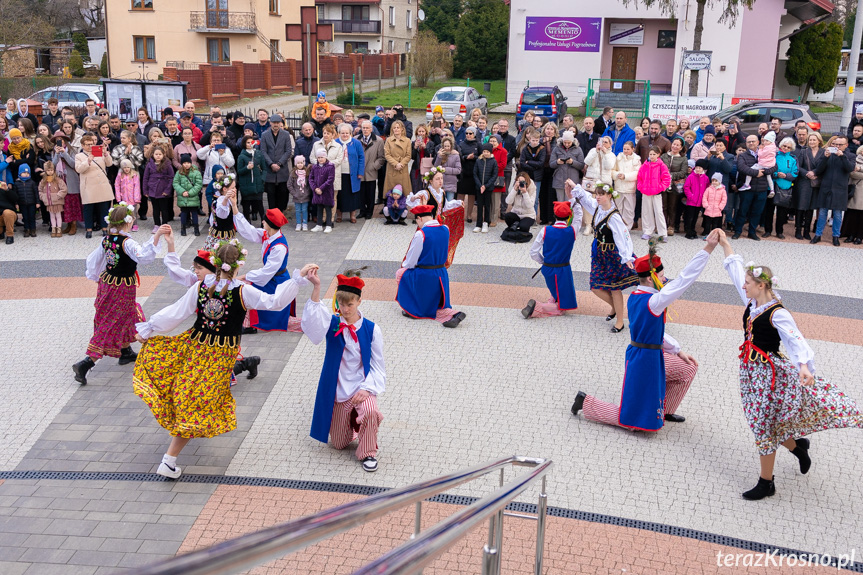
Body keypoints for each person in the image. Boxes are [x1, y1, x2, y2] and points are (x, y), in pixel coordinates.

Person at [134, 241, 315, 478]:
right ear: (238, 265)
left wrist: (149, 328)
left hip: (196, 346)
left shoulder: (202, 286)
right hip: (218, 356)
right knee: (197, 403)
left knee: (191, 395)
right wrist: (298, 278)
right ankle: (168, 460)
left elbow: (177, 311)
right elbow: (275, 302)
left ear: (216, 263)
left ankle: (172, 452)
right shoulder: (242, 290)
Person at [718, 237, 863, 500]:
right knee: (765, 423)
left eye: (748, 283)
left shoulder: (776, 313)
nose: (743, 286)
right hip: (752, 373)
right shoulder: (754, 301)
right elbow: (737, 273)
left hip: (769, 375)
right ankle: (798, 447)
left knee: (763, 426)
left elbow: (795, 339)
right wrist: (726, 245)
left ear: (761, 286)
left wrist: (804, 366)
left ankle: (766, 483)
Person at [571, 230, 721, 430]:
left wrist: (677, 350)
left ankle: (662, 410)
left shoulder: (635, 296)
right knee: (633, 421)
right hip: (645, 359)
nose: (665, 278)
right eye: (661, 274)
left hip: (648, 352)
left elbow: (650, 330)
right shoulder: (655, 301)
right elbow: (685, 279)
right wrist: (708, 248)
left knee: (687, 368)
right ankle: (587, 403)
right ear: (651, 278)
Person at [302, 269, 386, 473]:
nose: (345, 309)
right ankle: (353, 425)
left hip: (361, 388)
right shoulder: (332, 324)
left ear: (359, 302)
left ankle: (368, 452)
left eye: (350, 304)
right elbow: (312, 325)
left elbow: (378, 366)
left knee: (371, 411)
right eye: (341, 303)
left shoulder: (371, 329)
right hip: (338, 392)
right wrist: (317, 287)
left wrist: (367, 389)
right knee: (339, 444)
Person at [72, 207, 166, 384]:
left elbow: (95, 260)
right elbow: (143, 256)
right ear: (128, 222)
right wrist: (157, 235)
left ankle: (125, 351)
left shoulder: (107, 239)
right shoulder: (127, 242)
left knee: (124, 315)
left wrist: (95, 276)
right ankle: (86, 363)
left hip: (107, 283)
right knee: (112, 321)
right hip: (121, 287)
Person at [160, 234, 261, 381]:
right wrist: (171, 245)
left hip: (225, 337)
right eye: (195, 269)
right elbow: (176, 272)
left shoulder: (232, 287)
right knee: (203, 373)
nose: (196, 272)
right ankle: (246, 363)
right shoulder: (198, 282)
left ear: (212, 268)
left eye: (199, 268)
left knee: (214, 376)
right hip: (204, 335)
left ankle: (246, 363)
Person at [571, 182, 637, 331]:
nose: (598, 197)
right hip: (599, 254)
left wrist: (626, 257)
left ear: (609, 196)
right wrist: (575, 186)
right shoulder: (598, 208)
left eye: (601, 194)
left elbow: (623, 237)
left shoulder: (614, 217)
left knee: (615, 288)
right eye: (597, 194)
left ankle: (620, 321)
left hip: (613, 255)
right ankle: (614, 307)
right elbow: (586, 199)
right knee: (595, 287)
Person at [396, 204, 466, 328]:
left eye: (417, 221)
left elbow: (411, 261)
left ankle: (414, 310)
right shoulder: (445, 228)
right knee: (439, 306)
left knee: (400, 274)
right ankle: (452, 314)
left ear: (420, 219)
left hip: (426, 275)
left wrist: (405, 266)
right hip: (442, 274)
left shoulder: (421, 234)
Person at [233, 203, 298, 332]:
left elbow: (267, 272)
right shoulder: (267, 235)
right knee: (243, 288)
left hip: (276, 282)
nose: (262, 222)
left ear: (270, 224)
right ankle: (248, 323)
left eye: (265, 220)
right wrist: (235, 208)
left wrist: (244, 276)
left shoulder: (279, 247)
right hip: (270, 277)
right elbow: (248, 230)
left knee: (244, 288)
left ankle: (249, 325)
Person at [522, 199, 580, 318]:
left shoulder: (545, 230)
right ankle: (538, 307)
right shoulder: (572, 230)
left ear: (554, 215)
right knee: (563, 307)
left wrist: (543, 261)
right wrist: (576, 200)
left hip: (548, 268)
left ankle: (553, 298)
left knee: (555, 288)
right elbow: (579, 216)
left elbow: (533, 252)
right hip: (563, 269)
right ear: (569, 216)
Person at [811, 135, 853, 246]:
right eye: (835, 144)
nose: (837, 146)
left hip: (840, 189)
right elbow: (818, 169)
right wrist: (825, 158)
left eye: (840, 145)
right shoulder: (826, 154)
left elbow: (850, 168)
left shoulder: (850, 156)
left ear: (846, 145)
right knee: (822, 213)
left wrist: (842, 156)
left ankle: (835, 236)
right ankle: (818, 235)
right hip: (826, 187)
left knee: (838, 214)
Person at [734, 135, 777, 241]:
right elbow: (741, 167)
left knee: (757, 212)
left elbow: (775, 166)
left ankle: (752, 232)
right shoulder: (743, 155)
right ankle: (738, 231)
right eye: (749, 142)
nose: (751, 143)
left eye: (753, 141)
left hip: (762, 189)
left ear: (758, 142)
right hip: (747, 190)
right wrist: (756, 173)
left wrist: (765, 172)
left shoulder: (765, 152)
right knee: (742, 211)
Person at [76, 133, 114, 239]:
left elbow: (109, 164)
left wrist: (106, 154)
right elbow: (79, 169)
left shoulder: (99, 152)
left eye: (91, 144)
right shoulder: (79, 156)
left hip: (101, 183)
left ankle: (104, 228)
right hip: (89, 185)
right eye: (87, 144)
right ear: (82, 145)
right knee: (88, 208)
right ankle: (89, 229)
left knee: (103, 207)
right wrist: (88, 160)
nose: (90, 146)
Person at [763, 138, 798, 239]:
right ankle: (768, 230)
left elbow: (795, 173)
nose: (786, 148)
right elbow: (768, 168)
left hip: (785, 187)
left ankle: (779, 231)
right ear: (780, 146)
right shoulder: (774, 156)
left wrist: (786, 176)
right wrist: (775, 174)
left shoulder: (793, 159)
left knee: (782, 212)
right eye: (784, 146)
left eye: (788, 147)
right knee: (769, 210)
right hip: (772, 186)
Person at [636, 146, 672, 241]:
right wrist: (641, 187)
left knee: (658, 212)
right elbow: (639, 177)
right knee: (646, 212)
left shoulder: (662, 166)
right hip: (646, 192)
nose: (652, 156)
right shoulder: (645, 165)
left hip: (656, 192)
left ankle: (662, 233)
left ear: (658, 155)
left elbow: (666, 178)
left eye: (654, 154)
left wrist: (661, 188)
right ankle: (647, 231)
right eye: (650, 154)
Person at [794, 132, 822, 240]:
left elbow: (823, 166)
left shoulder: (823, 153)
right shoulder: (803, 151)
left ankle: (807, 230)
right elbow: (798, 166)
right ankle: (798, 230)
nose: (812, 142)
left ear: (819, 141)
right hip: (804, 182)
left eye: (814, 140)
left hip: (816, 183)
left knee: (811, 208)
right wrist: (807, 173)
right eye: (810, 140)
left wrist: (814, 172)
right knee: (801, 207)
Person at [336, 123, 365, 223]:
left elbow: (361, 157)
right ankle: (339, 215)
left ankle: (352, 216)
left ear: (350, 133)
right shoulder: (335, 143)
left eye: (347, 133)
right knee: (339, 195)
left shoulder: (356, 143)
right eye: (342, 133)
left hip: (352, 174)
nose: (345, 135)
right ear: (339, 133)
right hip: (339, 173)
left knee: (353, 195)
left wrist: (360, 171)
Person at [142, 146, 175, 232]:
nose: (158, 156)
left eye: (160, 154)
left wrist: (167, 190)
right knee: (155, 209)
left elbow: (171, 178)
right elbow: (145, 178)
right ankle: (156, 224)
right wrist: (145, 190)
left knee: (164, 209)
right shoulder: (149, 165)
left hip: (163, 189)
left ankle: (165, 224)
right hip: (153, 189)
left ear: (163, 155)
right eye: (156, 154)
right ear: (153, 155)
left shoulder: (167, 164)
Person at [357, 120, 385, 219]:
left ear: (371, 129)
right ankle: (362, 211)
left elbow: (381, 157)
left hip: (371, 170)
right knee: (360, 193)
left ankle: (369, 212)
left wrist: (374, 166)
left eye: (367, 128)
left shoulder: (378, 140)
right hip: (359, 171)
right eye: (363, 128)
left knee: (370, 193)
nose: (365, 130)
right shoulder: (356, 139)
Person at [204, 169, 238, 249]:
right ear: (225, 189)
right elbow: (221, 215)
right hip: (219, 238)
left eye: (235, 187)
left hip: (229, 235)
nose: (235, 189)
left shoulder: (231, 200)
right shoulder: (219, 201)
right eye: (233, 188)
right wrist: (226, 199)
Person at [611, 140, 641, 228]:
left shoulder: (636, 159)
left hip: (629, 188)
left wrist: (625, 176)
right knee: (618, 207)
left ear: (633, 149)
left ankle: (627, 227)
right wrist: (617, 175)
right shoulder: (618, 157)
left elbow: (637, 173)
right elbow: (613, 170)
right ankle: (617, 226)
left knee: (629, 209)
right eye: (624, 149)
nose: (626, 151)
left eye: (628, 149)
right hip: (619, 186)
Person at [236, 135, 266, 222]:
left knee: (260, 204)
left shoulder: (259, 154)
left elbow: (264, 168)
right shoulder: (242, 156)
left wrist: (262, 179)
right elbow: (239, 171)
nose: (250, 144)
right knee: (246, 204)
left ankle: (263, 222)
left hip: (257, 183)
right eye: (248, 142)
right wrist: (247, 168)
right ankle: (247, 222)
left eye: (251, 142)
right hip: (246, 184)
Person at [550, 130, 584, 203]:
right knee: (560, 203)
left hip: (572, 181)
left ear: (573, 141)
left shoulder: (578, 149)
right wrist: (557, 162)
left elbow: (581, 165)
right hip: (559, 181)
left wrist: (572, 162)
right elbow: (551, 164)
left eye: (569, 142)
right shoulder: (556, 148)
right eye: (565, 142)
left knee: (570, 203)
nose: (567, 144)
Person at [173, 153, 202, 236]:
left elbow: (198, 184)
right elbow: (175, 183)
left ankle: (196, 228)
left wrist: (190, 193)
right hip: (183, 198)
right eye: (184, 163)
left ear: (191, 163)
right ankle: (183, 228)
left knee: (194, 213)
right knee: (183, 213)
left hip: (193, 197)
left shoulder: (196, 172)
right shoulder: (179, 173)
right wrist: (182, 192)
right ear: (182, 164)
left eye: (188, 163)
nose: (186, 165)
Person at [38, 160, 67, 238]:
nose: (50, 172)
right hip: (49, 202)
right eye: (48, 170)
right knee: (52, 216)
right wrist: (43, 197)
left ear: (53, 170)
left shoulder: (58, 180)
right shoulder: (43, 181)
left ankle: (59, 228)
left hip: (57, 201)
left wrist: (58, 196)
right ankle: (53, 228)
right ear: (45, 171)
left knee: (58, 215)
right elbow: (40, 190)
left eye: (51, 170)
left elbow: (64, 189)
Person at [473, 143, 498, 233]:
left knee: (487, 205)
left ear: (490, 152)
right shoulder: (478, 161)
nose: (486, 153)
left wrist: (486, 185)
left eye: (487, 152)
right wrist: (480, 185)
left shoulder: (493, 161)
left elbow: (494, 175)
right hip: (479, 187)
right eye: (484, 151)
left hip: (488, 187)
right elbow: (475, 173)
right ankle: (478, 224)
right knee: (479, 205)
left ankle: (486, 222)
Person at [383, 120, 412, 197]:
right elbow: (387, 154)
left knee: (404, 191)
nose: (396, 129)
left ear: (402, 129)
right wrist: (396, 164)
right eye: (394, 128)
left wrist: (401, 164)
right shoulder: (388, 140)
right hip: (392, 168)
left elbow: (408, 155)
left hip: (402, 168)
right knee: (391, 190)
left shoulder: (407, 140)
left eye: (398, 127)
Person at [310, 148, 336, 233]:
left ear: (325, 157)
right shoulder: (314, 167)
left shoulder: (330, 166)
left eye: (322, 157)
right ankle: (319, 225)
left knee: (328, 208)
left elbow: (330, 179)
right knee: (319, 208)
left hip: (326, 191)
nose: (320, 159)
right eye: (319, 157)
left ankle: (328, 225)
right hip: (317, 191)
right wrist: (315, 188)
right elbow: (311, 178)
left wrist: (321, 188)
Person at [683, 159, 709, 239]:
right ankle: (688, 232)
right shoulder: (691, 177)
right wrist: (691, 196)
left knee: (695, 217)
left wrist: (704, 198)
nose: (698, 169)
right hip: (691, 201)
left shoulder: (706, 178)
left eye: (700, 168)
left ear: (703, 169)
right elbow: (686, 187)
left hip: (699, 202)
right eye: (697, 167)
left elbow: (707, 189)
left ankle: (693, 231)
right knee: (690, 217)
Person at [115, 159, 142, 232]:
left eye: (128, 167)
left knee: (133, 212)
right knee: (125, 212)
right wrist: (118, 197)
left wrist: (136, 198)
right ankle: (127, 224)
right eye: (124, 167)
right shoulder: (120, 175)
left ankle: (135, 224)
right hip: (124, 197)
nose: (126, 169)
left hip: (132, 197)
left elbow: (137, 186)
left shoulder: (134, 175)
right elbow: (117, 186)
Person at [14, 164, 39, 237]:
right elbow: (15, 195)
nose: (26, 174)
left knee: (32, 216)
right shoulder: (17, 183)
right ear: (20, 173)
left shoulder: (32, 182)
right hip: (22, 203)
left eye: (28, 173)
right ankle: (26, 229)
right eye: (24, 173)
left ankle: (33, 229)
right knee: (25, 217)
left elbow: (36, 193)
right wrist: (16, 203)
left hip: (32, 203)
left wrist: (37, 202)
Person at [433, 136, 462, 202]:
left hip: (451, 184)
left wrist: (445, 170)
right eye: (445, 146)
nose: (446, 148)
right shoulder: (440, 154)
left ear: (451, 146)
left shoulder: (456, 155)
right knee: (440, 204)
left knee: (449, 205)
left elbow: (458, 170)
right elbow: (435, 168)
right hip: (440, 184)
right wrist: (439, 157)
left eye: (448, 146)